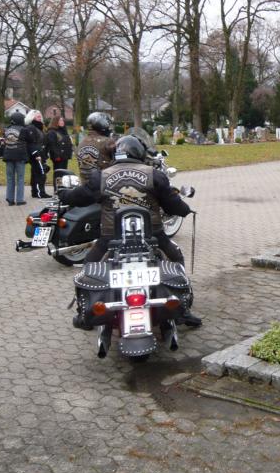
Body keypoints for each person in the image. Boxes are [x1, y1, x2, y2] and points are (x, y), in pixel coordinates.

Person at [59, 134, 201, 327]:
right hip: (152, 235)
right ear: (140, 153)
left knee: (89, 266)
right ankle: (183, 310)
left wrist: (64, 194)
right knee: (176, 259)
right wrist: (185, 209)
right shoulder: (155, 175)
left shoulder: (101, 176)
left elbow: (80, 197)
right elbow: (173, 204)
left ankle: (84, 314)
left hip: (111, 237)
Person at [76, 112, 115, 183]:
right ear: (102, 124)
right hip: (103, 183)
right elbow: (119, 160)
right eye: (108, 124)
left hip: (85, 183)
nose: (109, 127)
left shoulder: (82, 142)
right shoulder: (108, 142)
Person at [2, 111, 31, 206]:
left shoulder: (7, 129)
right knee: (20, 178)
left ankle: (10, 199)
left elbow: (5, 140)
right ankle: (19, 200)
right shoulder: (24, 129)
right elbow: (29, 140)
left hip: (8, 155)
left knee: (10, 178)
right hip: (20, 156)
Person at [24, 109, 49, 198]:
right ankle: (40, 192)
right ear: (32, 117)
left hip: (40, 153)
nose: (40, 117)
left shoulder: (39, 127)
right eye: (37, 116)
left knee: (35, 172)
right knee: (41, 173)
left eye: (40, 115)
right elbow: (31, 142)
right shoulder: (31, 128)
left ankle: (35, 191)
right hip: (36, 154)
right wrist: (36, 154)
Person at [45, 116, 73, 190]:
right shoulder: (52, 132)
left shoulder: (64, 131)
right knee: (58, 174)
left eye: (63, 120)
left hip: (64, 156)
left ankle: (62, 189)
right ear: (55, 122)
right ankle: (57, 190)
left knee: (64, 173)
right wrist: (56, 155)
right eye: (60, 120)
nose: (62, 122)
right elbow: (52, 145)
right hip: (58, 157)